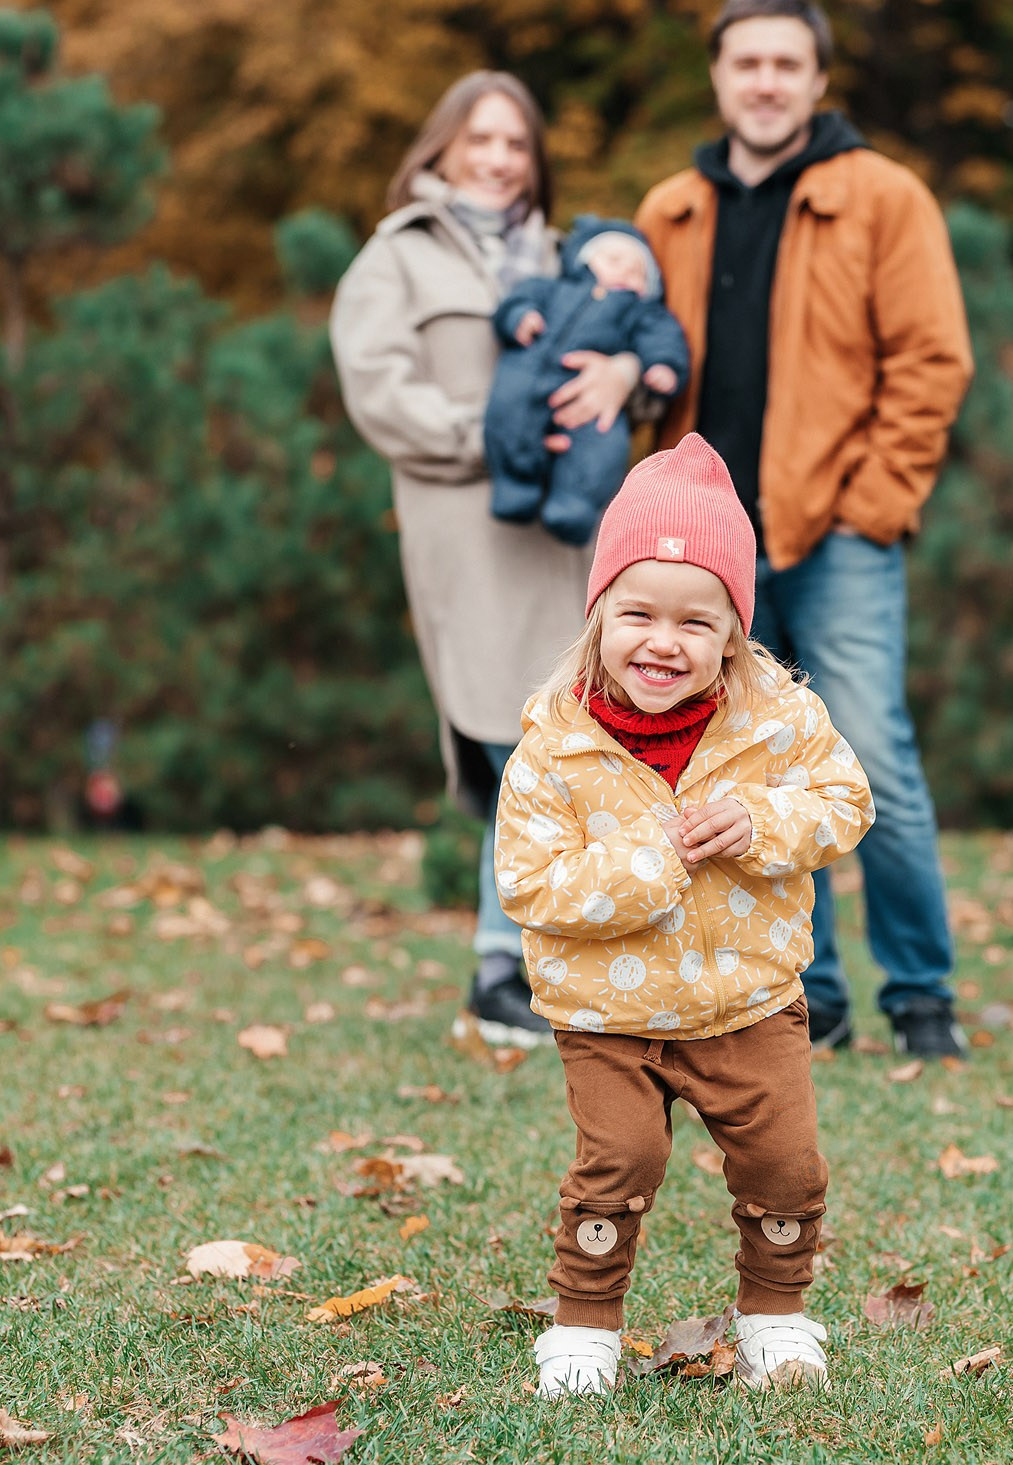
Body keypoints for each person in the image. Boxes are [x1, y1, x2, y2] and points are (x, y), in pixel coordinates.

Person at [492, 434, 872, 1396]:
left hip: (749, 998)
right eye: (639, 613)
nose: (663, 641)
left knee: (786, 1164)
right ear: (599, 613)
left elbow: (846, 801)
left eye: (695, 621)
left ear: (734, 632)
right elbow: (529, 883)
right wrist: (651, 863)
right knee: (620, 1160)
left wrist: (762, 820)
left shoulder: (778, 720)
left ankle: (776, 1316)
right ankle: (583, 1326)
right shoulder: (554, 745)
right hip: (607, 1012)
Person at [634, 0, 975, 1057]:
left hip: (836, 531)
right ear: (718, 76)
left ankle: (920, 995)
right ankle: (808, 998)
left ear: (818, 80)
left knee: (871, 759)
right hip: (708, 550)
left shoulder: (882, 196)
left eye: (787, 63)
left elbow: (931, 362)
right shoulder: (671, 210)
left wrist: (872, 506)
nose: (766, 81)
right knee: (751, 770)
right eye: (748, 62)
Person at [331, 73, 644, 1047]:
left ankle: (536, 961)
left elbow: (626, 345)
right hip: (468, 528)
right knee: (518, 743)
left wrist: (624, 374)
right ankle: (502, 964)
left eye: (517, 143)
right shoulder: (397, 257)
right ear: (441, 148)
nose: (500, 159)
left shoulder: (563, 255)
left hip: (567, 536)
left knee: (567, 743)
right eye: (481, 139)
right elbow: (380, 392)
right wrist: (494, 433)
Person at [485, 217, 691, 544]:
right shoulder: (554, 288)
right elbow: (518, 300)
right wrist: (520, 317)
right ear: (585, 259)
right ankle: (515, 485)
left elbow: (664, 338)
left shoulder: (641, 312)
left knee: (603, 446)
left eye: (638, 270)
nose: (625, 271)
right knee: (508, 412)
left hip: (593, 399)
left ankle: (575, 505)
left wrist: (665, 366)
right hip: (528, 373)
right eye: (614, 259)